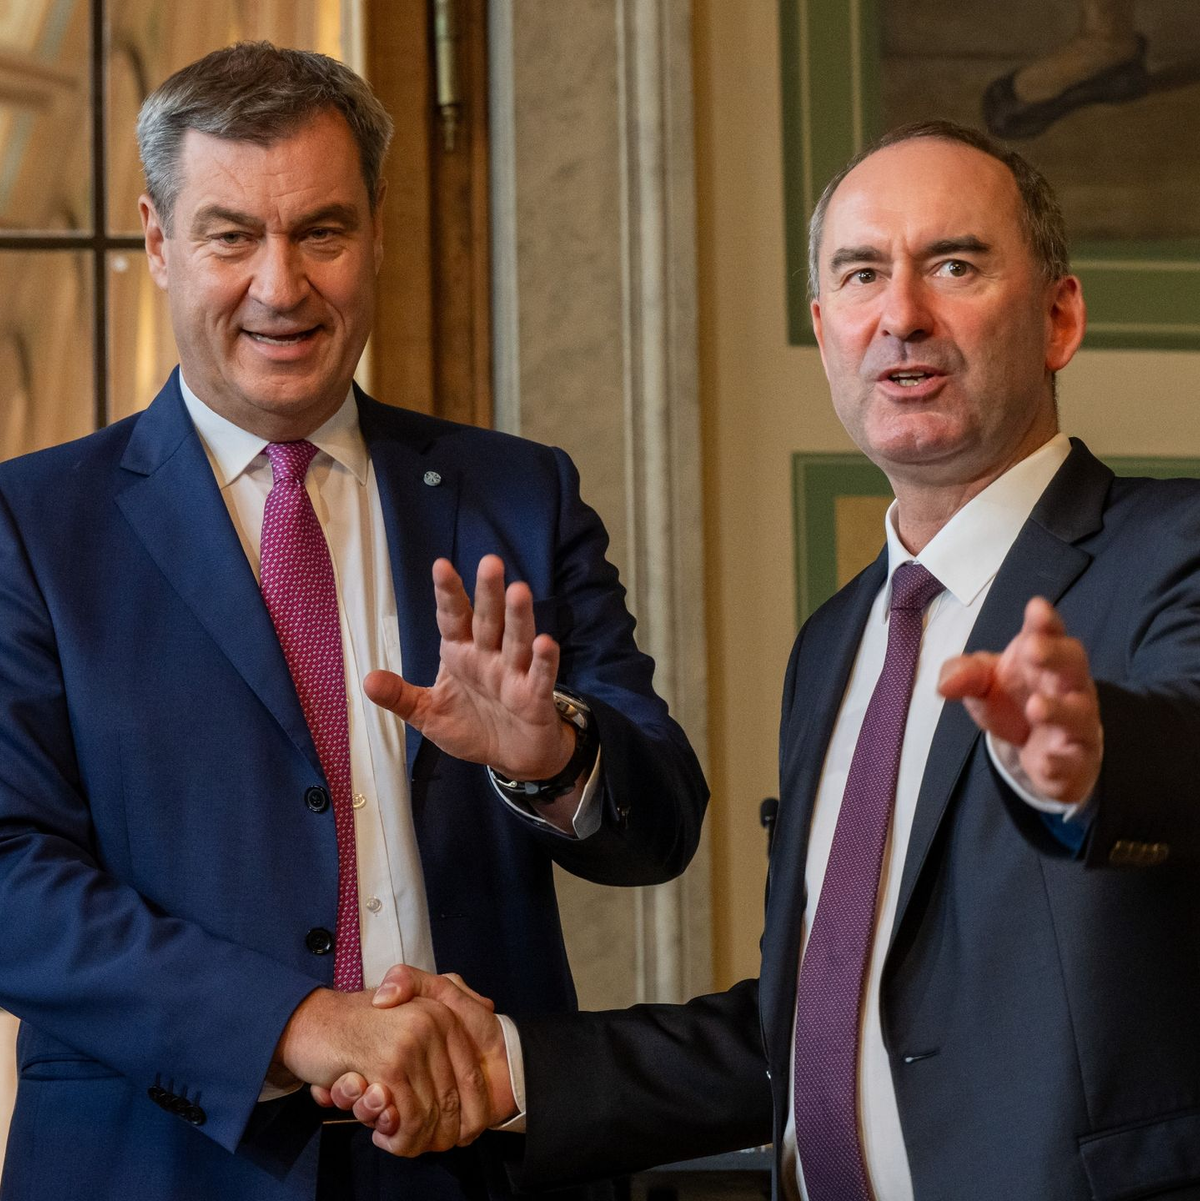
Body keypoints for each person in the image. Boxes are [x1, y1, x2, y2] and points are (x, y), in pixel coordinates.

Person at [333, 121, 1200, 1200]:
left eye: (956, 264)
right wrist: (510, 1063)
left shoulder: (1174, 548)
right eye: (862, 274)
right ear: (826, 328)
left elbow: (1185, 743)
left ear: (1059, 316)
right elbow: (801, 1024)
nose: (902, 315)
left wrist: (1088, 762)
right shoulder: (837, 641)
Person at [0, 42, 707, 1201]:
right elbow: (10, 875)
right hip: (160, 1163)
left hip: (480, 1160)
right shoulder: (31, 525)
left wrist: (557, 759)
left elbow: (662, 821)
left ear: (377, 231)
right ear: (158, 240)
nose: (281, 287)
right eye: (232, 236)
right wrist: (299, 1022)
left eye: (322, 232)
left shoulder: (517, 495)